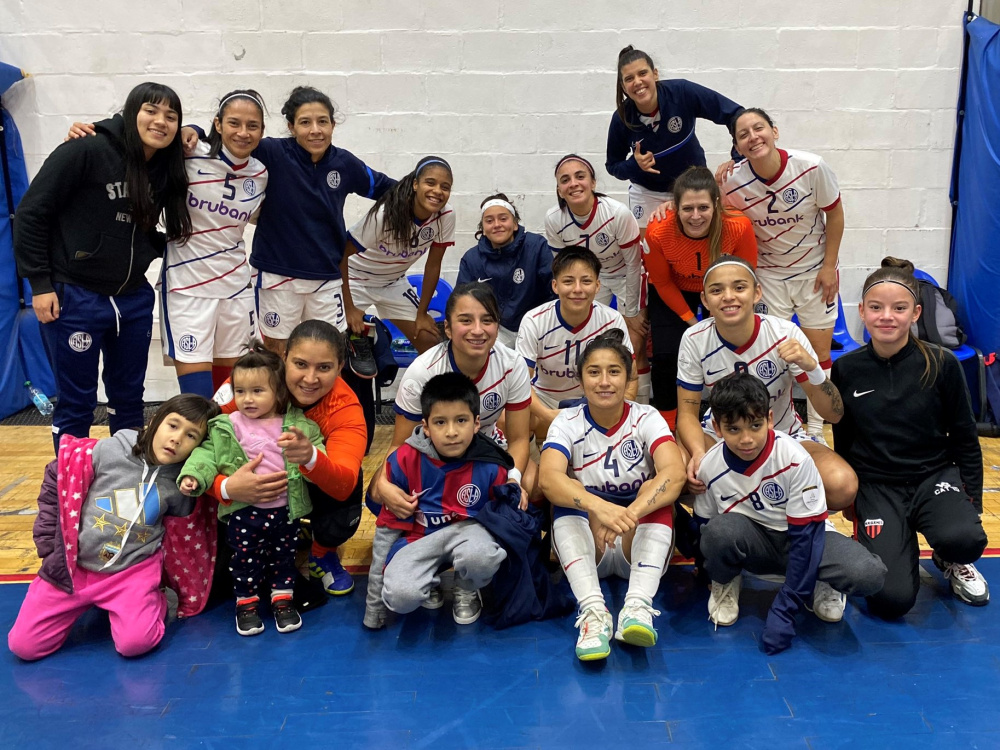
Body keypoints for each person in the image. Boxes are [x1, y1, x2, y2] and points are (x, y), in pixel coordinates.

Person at [14, 82, 191, 451]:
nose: (160, 121)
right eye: (151, 111)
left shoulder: (164, 166)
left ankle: (124, 475)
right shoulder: (86, 148)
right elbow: (31, 214)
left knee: (129, 398)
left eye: (171, 116)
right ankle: (72, 478)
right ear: (131, 112)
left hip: (132, 298)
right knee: (77, 400)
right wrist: (40, 284)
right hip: (74, 294)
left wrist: (195, 131)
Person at [66, 90, 269, 399]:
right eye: (234, 123)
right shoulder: (186, 153)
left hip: (236, 288)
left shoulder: (261, 174)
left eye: (252, 126)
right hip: (187, 288)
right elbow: (138, 143)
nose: (243, 132)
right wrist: (91, 132)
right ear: (218, 124)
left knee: (234, 393)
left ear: (262, 131)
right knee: (199, 398)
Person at [832, 258, 989, 618]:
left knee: (965, 539)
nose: (887, 316)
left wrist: (973, 501)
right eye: (876, 307)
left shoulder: (942, 363)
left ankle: (950, 557)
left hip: (933, 477)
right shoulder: (846, 368)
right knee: (891, 600)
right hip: (878, 487)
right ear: (862, 311)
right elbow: (844, 437)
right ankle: (895, 549)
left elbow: (965, 437)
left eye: (899, 308)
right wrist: (852, 497)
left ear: (915, 313)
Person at [8, 395, 218, 661]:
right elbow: (57, 475)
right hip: (73, 570)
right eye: (173, 425)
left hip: (131, 572)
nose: (177, 439)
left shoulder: (183, 482)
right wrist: (49, 547)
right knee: (24, 647)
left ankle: (154, 600)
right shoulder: (110, 451)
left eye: (191, 435)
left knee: (136, 644)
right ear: (155, 420)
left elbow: (183, 533)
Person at [696, 372, 886, 654]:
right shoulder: (709, 466)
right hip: (755, 544)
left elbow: (806, 539)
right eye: (734, 429)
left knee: (868, 574)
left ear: (770, 419)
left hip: (804, 541)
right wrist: (712, 569)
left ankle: (822, 581)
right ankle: (727, 581)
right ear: (717, 427)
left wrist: (785, 608)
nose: (746, 439)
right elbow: (704, 524)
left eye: (755, 426)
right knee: (718, 531)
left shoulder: (794, 457)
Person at [540, 330, 686, 661]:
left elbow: (674, 474)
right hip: (589, 539)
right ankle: (593, 613)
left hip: (637, 537)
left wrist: (626, 514)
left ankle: (637, 608)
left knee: (656, 490)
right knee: (566, 491)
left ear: (629, 378)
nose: (604, 381)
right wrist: (599, 508)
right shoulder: (566, 421)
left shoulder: (646, 417)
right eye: (594, 372)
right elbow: (548, 479)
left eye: (614, 371)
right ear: (580, 380)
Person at [207, 320, 368, 598]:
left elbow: (344, 485)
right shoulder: (251, 380)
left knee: (351, 479)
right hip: (246, 492)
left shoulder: (346, 409)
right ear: (284, 358)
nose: (310, 378)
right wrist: (225, 487)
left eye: (324, 368)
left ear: (340, 367)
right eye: (301, 364)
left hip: (303, 484)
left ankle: (322, 552)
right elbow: (196, 442)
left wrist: (311, 458)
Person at [179, 344, 326, 636]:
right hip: (244, 513)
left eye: (257, 391)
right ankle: (246, 603)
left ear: (278, 392)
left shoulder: (297, 425)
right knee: (245, 561)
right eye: (240, 391)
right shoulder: (227, 425)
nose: (247, 399)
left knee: (284, 558)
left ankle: (282, 600)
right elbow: (205, 454)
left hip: (286, 512)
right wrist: (194, 475)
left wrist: (310, 455)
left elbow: (319, 453)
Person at [721, 108, 845, 440]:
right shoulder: (731, 181)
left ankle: (816, 431)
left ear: (774, 131)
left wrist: (829, 266)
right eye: (743, 134)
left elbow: (835, 216)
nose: (753, 137)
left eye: (758, 128)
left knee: (819, 354)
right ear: (737, 146)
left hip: (814, 273)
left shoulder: (811, 167)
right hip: (769, 278)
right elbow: (703, 206)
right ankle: (779, 427)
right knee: (773, 356)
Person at [366, 372, 524, 628]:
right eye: (440, 422)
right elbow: (386, 531)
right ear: (426, 427)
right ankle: (427, 582)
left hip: (468, 537)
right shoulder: (404, 460)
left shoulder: (491, 465)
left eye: (461, 420)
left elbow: (503, 525)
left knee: (483, 555)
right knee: (400, 598)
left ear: (476, 423)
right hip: (418, 540)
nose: (451, 432)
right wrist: (374, 607)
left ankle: (467, 586)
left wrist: (515, 489)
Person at [643, 166, 757, 429]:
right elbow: (661, 282)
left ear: (716, 204)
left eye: (703, 207)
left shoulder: (738, 226)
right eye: (687, 209)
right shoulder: (658, 230)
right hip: (674, 288)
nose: (695, 216)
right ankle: (667, 426)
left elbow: (745, 276)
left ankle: (734, 416)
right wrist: (692, 321)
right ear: (675, 207)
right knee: (666, 355)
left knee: (728, 349)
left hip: (720, 287)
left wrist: (719, 312)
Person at [544, 153, 650, 402]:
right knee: (589, 341)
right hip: (591, 279)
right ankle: (590, 402)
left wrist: (631, 312)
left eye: (580, 176)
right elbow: (564, 268)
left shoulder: (617, 213)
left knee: (633, 343)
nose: (573, 183)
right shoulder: (554, 219)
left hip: (626, 274)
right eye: (565, 180)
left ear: (593, 182)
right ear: (559, 190)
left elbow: (634, 264)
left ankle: (639, 407)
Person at [606, 45, 742, 233]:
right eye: (629, 79)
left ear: (655, 74)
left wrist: (737, 157)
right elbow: (613, 166)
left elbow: (735, 114)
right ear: (623, 86)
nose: (637, 82)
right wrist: (634, 165)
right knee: (648, 246)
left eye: (642, 73)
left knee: (701, 241)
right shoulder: (621, 118)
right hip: (647, 192)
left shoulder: (682, 92)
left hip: (692, 187)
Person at [515, 247, 635, 442]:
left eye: (586, 281)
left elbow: (631, 375)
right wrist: (549, 415)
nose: (577, 289)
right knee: (507, 418)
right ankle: (531, 459)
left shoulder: (612, 320)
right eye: (568, 281)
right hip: (545, 399)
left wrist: (614, 411)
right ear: (555, 285)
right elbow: (519, 382)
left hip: (595, 398)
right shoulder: (534, 320)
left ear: (597, 286)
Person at [342, 155, 455, 355]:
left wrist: (422, 313)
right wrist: (350, 308)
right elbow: (340, 255)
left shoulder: (445, 216)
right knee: (333, 342)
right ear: (415, 184)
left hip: (393, 282)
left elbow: (433, 265)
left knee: (431, 342)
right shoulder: (385, 214)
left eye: (445, 187)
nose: (437, 191)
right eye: (430, 183)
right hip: (355, 280)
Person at [456, 193, 555, 349]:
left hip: (537, 326)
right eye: (489, 221)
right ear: (483, 229)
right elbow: (462, 302)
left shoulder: (536, 246)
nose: (496, 225)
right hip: (496, 329)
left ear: (515, 224)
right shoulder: (471, 259)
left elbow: (555, 289)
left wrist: (546, 323)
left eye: (503, 219)